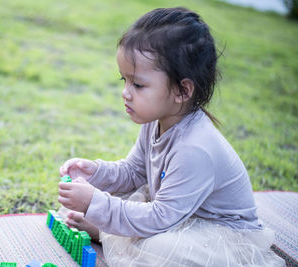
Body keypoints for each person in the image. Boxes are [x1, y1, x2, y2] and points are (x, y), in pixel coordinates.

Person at [57, 7, 285, 266]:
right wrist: (95, 172)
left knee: (158, 247)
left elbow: (158, 218)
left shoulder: (195, 148)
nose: (125, 92)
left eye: (138, 85)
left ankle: (107, 232)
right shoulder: (155, 121)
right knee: (127, 199)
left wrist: (96, 203)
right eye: (124, 80)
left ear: (182, 90)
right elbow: (134, 172)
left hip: (221, 234)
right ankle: (110, 232)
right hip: (176, 214)